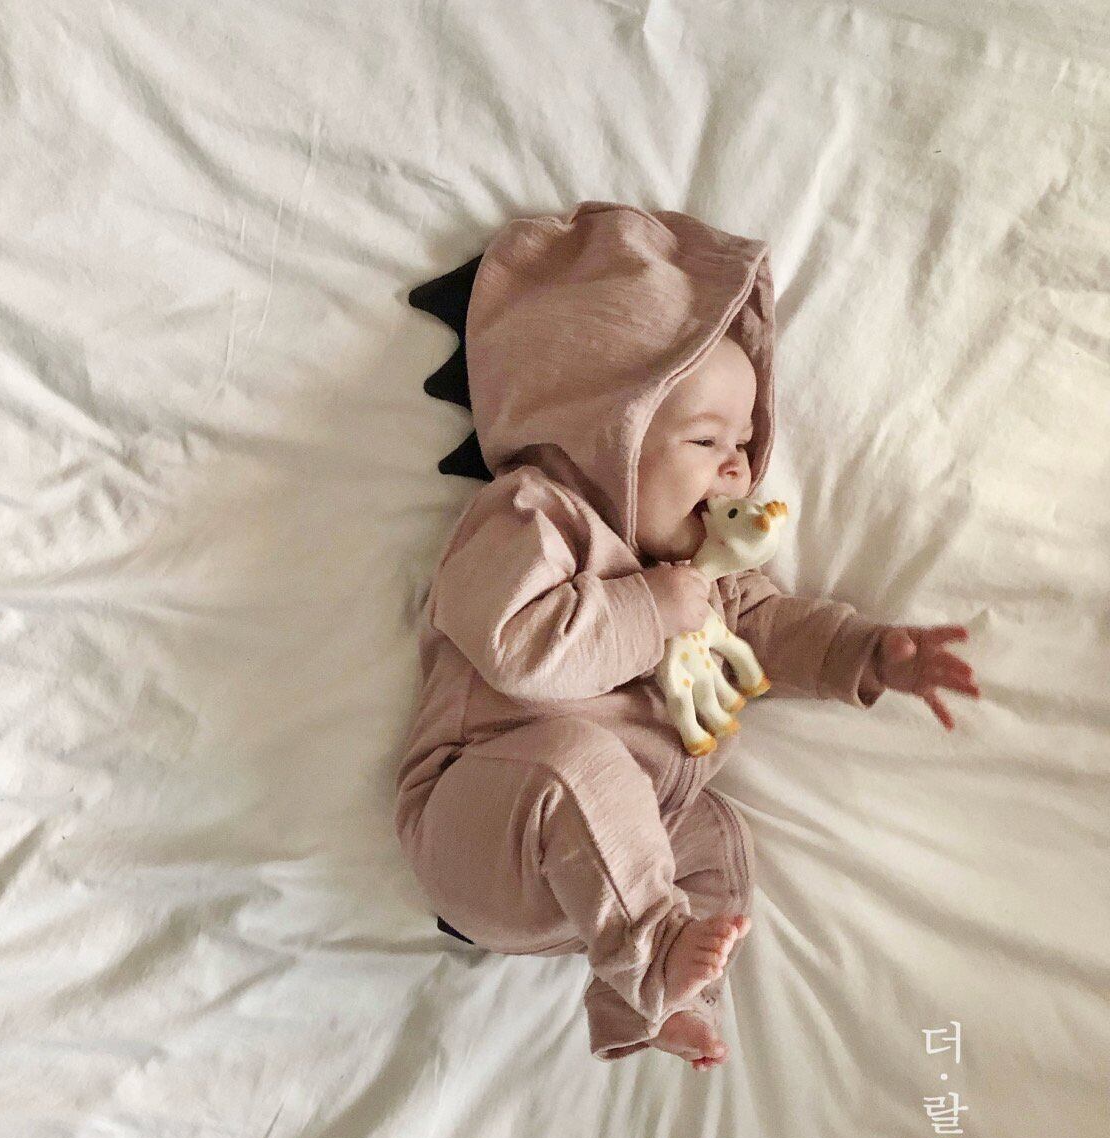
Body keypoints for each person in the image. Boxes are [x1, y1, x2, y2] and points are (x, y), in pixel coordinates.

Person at [394, 201, 979, 1068]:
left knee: (718, 840)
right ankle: (654, 949)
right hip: (483, 823)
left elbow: (768, 631)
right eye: (706, 439)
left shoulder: (704, 574)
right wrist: (650, 609)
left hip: (610, 869)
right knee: (575, 763)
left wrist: (864, 653)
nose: (738, 466)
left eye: (745, 441)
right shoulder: (531, 518)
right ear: (604, 436)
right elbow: (519, 647)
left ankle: (654, 1000)